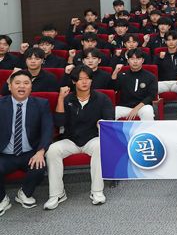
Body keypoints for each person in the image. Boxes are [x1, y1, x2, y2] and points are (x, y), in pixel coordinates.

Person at [45, 67, 114, 209]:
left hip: (92, 138)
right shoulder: (68, 99)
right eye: (80, 79)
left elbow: (109, 120)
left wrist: (101, 123)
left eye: (87, 78)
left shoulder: (102, 98)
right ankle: (57, 194)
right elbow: (59, 123)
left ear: (91, 80)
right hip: (71, 139)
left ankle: (97, 191)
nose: (84, 82)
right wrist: (60, 98)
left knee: (100, 146)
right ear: (74, 81)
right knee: (52, 150)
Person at [0, 71, 52, 216]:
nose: (21, 86)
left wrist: (40, 152)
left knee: (40, 166)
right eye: (17, 83)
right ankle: (2, 198)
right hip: (4, 153)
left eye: (26, 83)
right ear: (10, 86)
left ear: (31, 87)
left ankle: (23, 193)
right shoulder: (1, 104)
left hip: (30, 152)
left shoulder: (41, 104)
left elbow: (47, 130)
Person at [111, 48, 157, 121]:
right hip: (125, 107)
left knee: (148, 111)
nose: (135, 61)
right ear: (128, 60)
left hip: (142, 107)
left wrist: (136, 108)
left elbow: (151, 96)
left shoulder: (150, 76)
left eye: (138, 59)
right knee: (111, 113)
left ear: (142, 60)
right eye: (132, 59)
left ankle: (146, 132)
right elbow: (114, 88)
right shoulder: (122, 75)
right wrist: (115, 73)